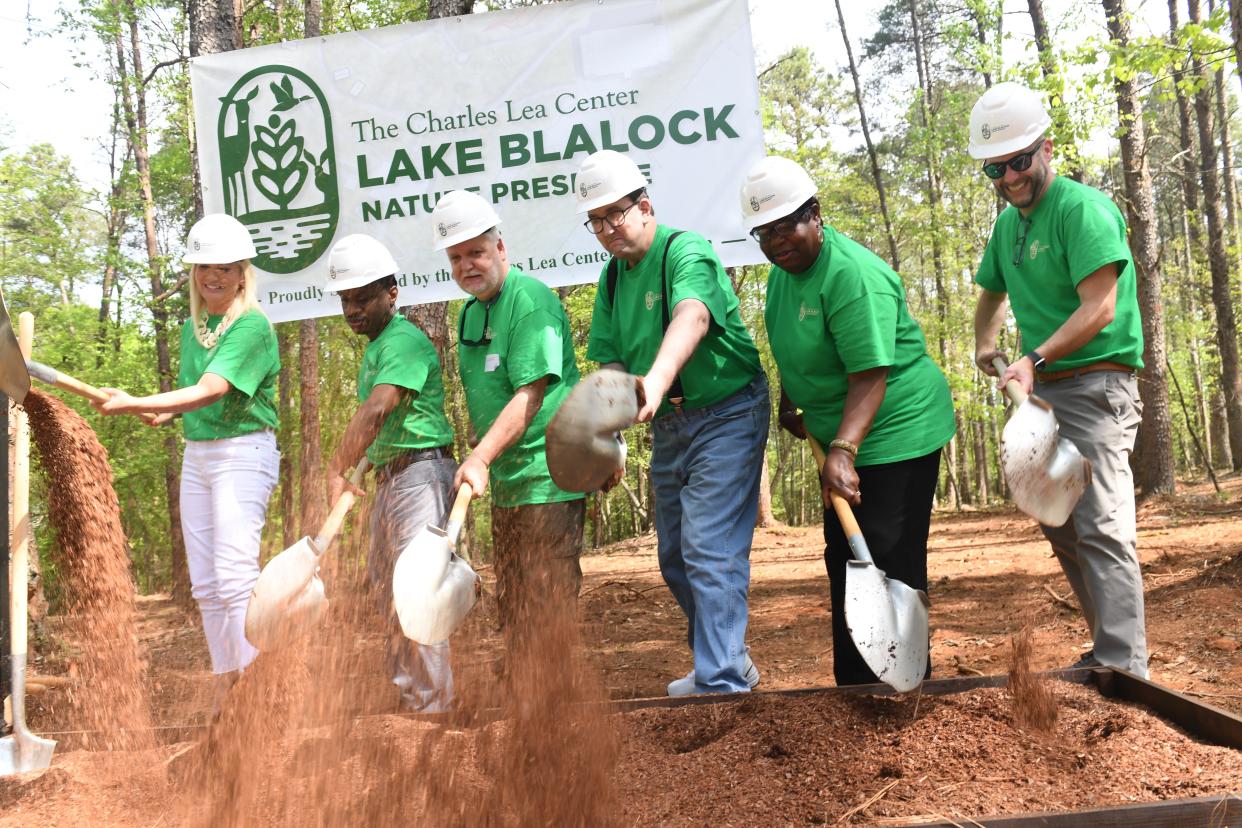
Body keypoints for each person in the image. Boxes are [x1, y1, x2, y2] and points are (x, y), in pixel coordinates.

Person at [739, 156, 955, 687]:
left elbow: (871, 374)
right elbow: (799, 347)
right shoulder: (785, 276)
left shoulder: (853, 276)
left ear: (815, 214)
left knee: (889, 554)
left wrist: (842, 449)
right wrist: (794, 399)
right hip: (844, 431)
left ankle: (903, 687)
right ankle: (856, 686)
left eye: (786, 225)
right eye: (762, 232)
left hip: (896, 428)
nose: (776, 241)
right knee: (847, 558)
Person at [968, 82, 1148, 677]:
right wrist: (984, 341)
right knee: (1062, 524)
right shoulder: (1006, 227)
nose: (1011, 177)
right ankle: (1108, 652)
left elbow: (1099, 307)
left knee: (1100, 523)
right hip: (1041, 393)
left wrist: (1034, 358)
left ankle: (1126, 668)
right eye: (997, 168)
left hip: (1097, 386)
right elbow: (992, 288)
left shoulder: (1081, 209)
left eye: (1020, 161)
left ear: (1046, 148)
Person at [576, 150, 769, 696]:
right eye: (595, 221)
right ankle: (727, 659)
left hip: (728, 411)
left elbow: (693, 316)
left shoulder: (685, 252)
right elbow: (612, 365)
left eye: (616, 214)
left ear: (645, 206)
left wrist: (656, 382)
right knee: (675, 555)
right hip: (671, 426)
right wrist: (606, 438)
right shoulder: (613, 279)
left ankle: (723, 682)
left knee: (710, 547)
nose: (607, 229)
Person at [96, 214, 280, 707]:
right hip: (199, 454)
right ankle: (228, 681)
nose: (212, 276)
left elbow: (212, 389)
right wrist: (166, 415)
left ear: (243, 271)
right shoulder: (191, 329)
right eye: (203, 267)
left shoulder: (252, 325)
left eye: (223, 267)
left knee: (235, 572)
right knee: (204, 583)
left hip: (243, 452)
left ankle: (253, 686)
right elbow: (199, 398)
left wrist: (139, 402)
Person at [429, 190, 585, 663]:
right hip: (509, 486)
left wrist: (480, 456)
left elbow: (530, 395)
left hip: (549, 478)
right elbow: (495, 396)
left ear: (501, 249)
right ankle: (526, 710)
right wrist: (484, 445)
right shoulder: (471, 314)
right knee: (515, 605)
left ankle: (557, 714)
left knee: (548, 603)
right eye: (456, 258)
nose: (467, 266)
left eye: (476, 252)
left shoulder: (530, 302)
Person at [323, 233, 458, 712]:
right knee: (389, 590)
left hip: (420, 477)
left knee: (417, 590)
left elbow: (379, 408)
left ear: (392, 293)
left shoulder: (401, 340)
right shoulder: (378, 345)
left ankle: (432, 706)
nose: (353, 309)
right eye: (346, 300)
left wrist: (337, 466)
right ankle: (414, 699)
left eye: (363, 298)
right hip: (395, 479)